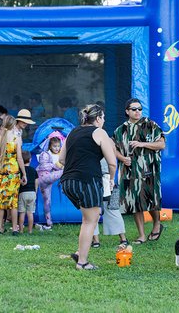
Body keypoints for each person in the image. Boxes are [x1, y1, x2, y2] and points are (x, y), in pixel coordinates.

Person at [59, 104, 117, 270]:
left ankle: (80, 252)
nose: (103, 121)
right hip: (87, 180)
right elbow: (112, 162)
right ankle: (82, 262)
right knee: (90, 220)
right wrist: (112, 179)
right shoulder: (99, 132)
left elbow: (62, 159)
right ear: (98, 118)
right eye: (103, 118)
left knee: (88, 218)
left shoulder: (72, 131)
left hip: (68, 182)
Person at [113, 98, 165, 244]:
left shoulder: (151, 125)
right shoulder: (120, 130)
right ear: (127, 111)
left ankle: (156, 225)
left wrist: (142, 144)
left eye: (140, 109)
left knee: (151, 201)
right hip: (130, 173)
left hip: (150, 170)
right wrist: (122, 158)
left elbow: (161, 145)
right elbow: (113, 149)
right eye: (134, 109)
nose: (137, 112)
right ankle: (141, 235)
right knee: (135, 203)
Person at [0, 115, 27, 236]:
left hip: (1, 172)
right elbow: (20, 158)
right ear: (13, 125)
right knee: (13, 202)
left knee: (1, 202)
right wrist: (24, 173)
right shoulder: (16, 139)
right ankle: (15, 228)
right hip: (13, 173)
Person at [91, 156, 128, 248]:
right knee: (112, 209)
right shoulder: (107, 142)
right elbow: (112, 164)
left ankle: (96, 241)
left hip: (94, 179)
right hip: (105, 178)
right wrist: (111, 179)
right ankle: (123, 239)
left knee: (92, 211)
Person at [36, 134, 64, 228]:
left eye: (58, 146)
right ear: (50, 146)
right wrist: (55, 166)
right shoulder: (46, 154)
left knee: (47, 201)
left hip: (46, 179)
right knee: (65, 171)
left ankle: (49, 221)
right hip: (45, 177)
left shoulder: (59, 155)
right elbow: (44, 166)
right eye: (54, 146)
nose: (56, 148)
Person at [18, 151, 39, 234]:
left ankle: (21, 230)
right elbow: (36, 183)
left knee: (22, 213)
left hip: (23, 193)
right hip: (32, 193)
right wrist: (35, 192)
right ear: (30, 160)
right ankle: (30, 231)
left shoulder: (20, 171)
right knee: (30, 213)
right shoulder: (34, 170)